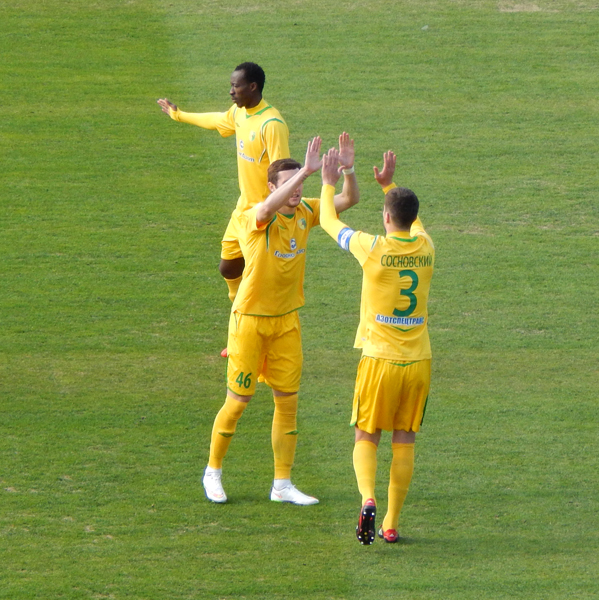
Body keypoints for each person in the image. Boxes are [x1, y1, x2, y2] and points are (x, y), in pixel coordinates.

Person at [201, 134, 359, 505]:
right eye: (289, 184)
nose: (297, 190)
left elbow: (348, 200)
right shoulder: (251, 216)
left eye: (300, 184)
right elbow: (263, 212)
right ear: (272, 187)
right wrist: (305, 171)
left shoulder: (305, 211)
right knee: (238, 401)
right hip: (250, 322)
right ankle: (213, 472)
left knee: (287, 403)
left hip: (287, 322)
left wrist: (349, 170)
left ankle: (282, 485)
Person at [318, 148, 434, 544]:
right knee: (405, 439)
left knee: (366, 435)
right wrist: (389, 184)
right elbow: (414, 222)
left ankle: (367, 497)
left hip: (379, 361)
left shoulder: (372, 248)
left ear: (385, 218)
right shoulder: (426, 247)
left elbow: (328, 219)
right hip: (418, 363)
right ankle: (391, 522)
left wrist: (330, 181)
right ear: (412, 218)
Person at [157, 62, 290, 322]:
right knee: (228, 267)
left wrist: (281, 214)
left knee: (258, 278)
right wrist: (178, 114)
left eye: (235, 86)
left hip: (263, 215)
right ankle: (242, 313)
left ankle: (250, 322)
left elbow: (283, 173)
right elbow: (217, 120)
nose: (230, 91)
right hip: (243, 209)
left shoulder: (271, 124)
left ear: (252, 87)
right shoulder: (239, 113)